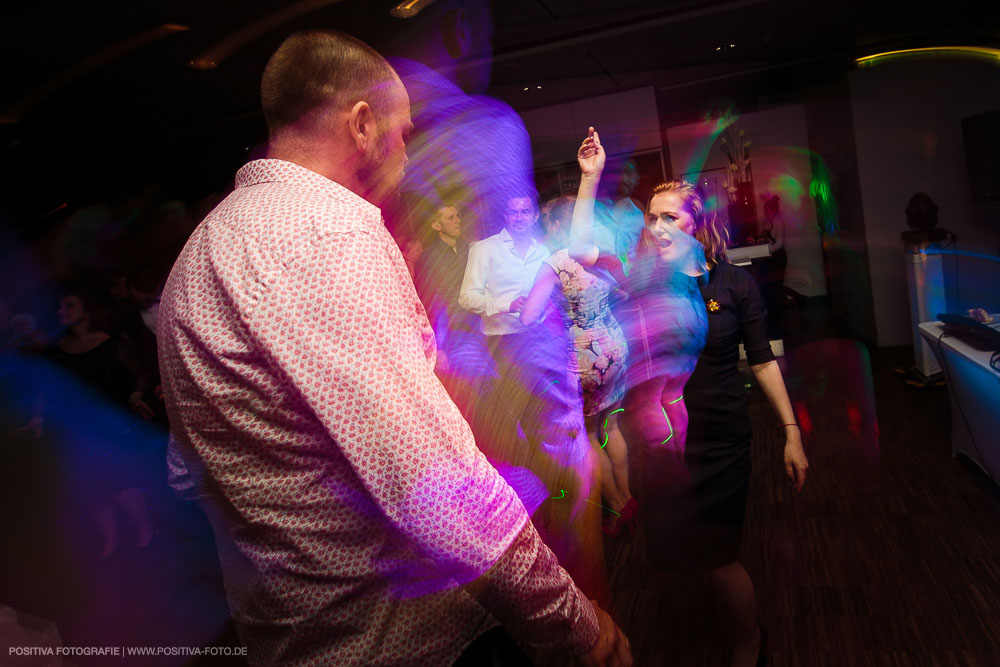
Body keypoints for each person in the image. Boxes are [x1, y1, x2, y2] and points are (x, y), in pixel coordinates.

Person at [157, 30, 629, 667]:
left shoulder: (199, 253)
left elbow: (187, 475)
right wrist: (575, 627)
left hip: (286, 631)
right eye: (404, 133)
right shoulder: (328, 235)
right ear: (361, 125)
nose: (409, 159)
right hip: (390, 636)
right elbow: (432, 486)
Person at [645, 182, 809, 667]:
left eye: (670, 217)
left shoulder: (734, 284)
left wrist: (791, 432)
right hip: (668, 443)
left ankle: (749, 641)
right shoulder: (647, 283)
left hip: (721, 439)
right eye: (652, 217)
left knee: (718, 554)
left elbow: (761, 362)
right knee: (673, 549)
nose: (657, 227)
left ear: (697, 223)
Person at [459, 192, 607, 603]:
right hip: (505, 347)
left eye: (527, 210)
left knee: (551, 430)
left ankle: (559, 504)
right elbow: (466, 297)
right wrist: (506, 302)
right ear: (503, 211)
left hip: (543, 343)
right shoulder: (485, 249)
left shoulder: (546, 251)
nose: (521, 216)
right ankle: (542, 514)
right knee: (522, 430)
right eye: (513, 209)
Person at [520, 184, 632, 537]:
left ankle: (617, 506)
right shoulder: (600, 254)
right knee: (611, 427)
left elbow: (527, 318)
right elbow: (624, 289)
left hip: (583, 360)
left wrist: (536, 304)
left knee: (585, 436)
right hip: (614, 347)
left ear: (555, 226)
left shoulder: (554, 263)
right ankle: (628, 496)